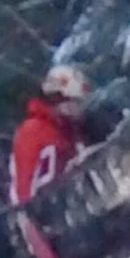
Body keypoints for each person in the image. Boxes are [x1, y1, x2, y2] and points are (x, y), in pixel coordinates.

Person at [9, 63, 94, 205]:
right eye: (77, 102)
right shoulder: (33, 131)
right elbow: (24, 185)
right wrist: (30, 213)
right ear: (60, 99)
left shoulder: (69, 130)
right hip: (46, 212)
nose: (81, 109)